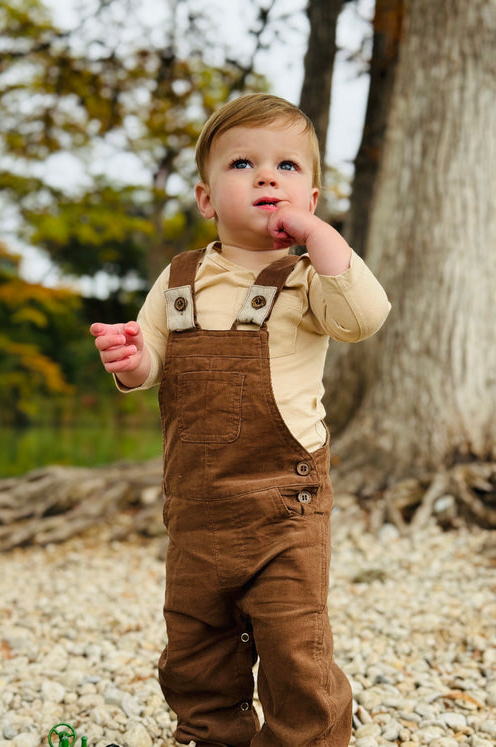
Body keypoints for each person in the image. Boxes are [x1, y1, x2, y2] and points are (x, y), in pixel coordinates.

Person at [90, 93, 391, 747]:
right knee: (195, 646)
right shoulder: (177, 282)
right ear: (205, 199)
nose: (265, 177)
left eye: (286, 166)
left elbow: (364, 317)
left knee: (294, 642)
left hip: (286, 507)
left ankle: (305, 737)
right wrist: (131, 356)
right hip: (196, 508)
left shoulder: (310, 279)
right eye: (243, 164)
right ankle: (211, 732)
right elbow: (148, 364)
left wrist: (322, 239)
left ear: (309, 198)